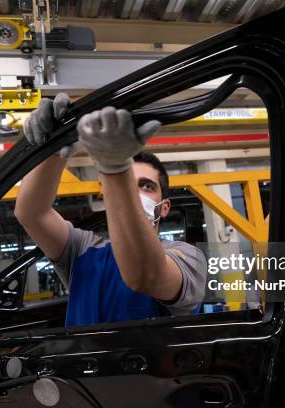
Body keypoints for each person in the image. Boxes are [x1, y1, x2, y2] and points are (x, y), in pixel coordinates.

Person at [14, 93, 207, 327]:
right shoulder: (81, 250)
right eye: (126, 182)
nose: (134, 194)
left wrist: (115, 167)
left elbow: (146, 275)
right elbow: (32, 214)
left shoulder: (188, 258)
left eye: (146, 186)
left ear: (164, 207)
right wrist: (52, 147)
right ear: (105, 193)